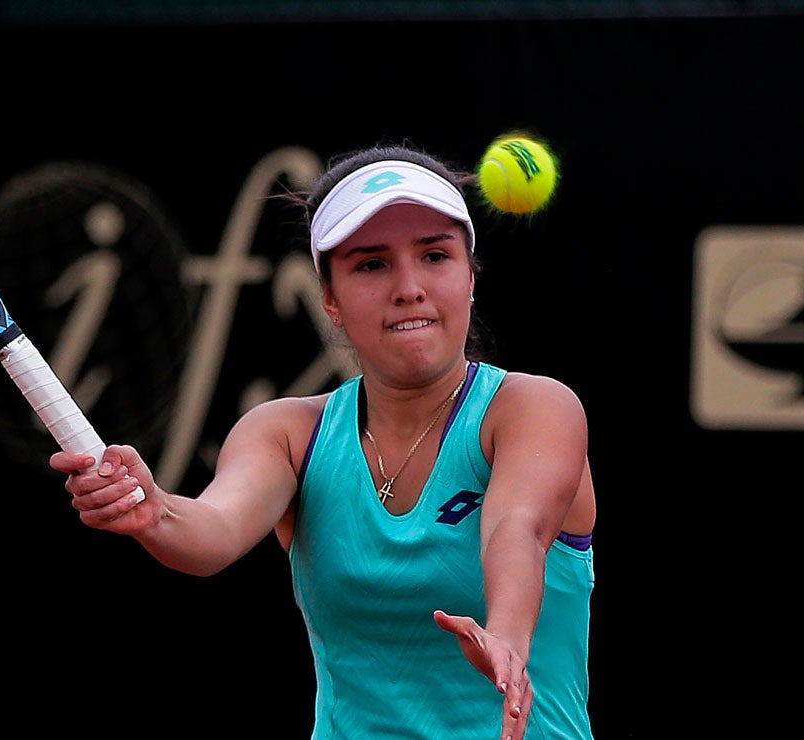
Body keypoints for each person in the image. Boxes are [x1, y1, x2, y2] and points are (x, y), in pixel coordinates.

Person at [51, 143, 597, 739]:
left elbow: (516, 527)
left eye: (435, 256)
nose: (409, 286)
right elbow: (213, 529)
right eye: (371, 264)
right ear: (330, 301)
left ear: (470, 279)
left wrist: (508, 638)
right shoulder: (285, 433)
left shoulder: (535, 408)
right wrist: (153, 513)